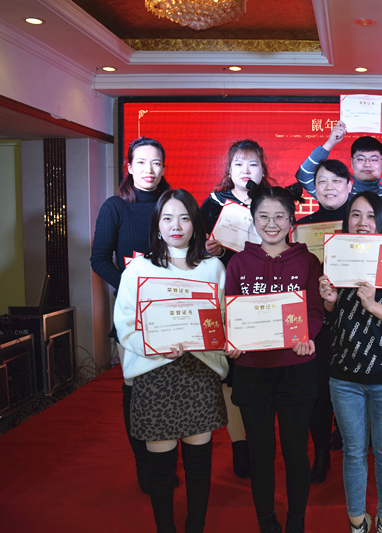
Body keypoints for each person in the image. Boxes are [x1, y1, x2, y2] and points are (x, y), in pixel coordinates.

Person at [115, 189, 228, 533]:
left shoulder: (212, 267)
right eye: (167, 218)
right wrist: (155, 346)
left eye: (184, 218)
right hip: (154, 376)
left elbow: (224, 320)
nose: (175, 226)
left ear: (196, 224)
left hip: (199, 372)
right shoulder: (139, 269)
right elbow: (125, 323)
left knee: (198, 463)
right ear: (157, 225)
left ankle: (196, 525)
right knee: (161, 467)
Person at [225, 184, 324, 533]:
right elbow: (231, 314)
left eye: (279, 216)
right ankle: (266, 521)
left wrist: (307, 336)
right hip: (252, 372)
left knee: (296, 452)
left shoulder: (308, 262)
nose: (271, 224)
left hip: (296, 370)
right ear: (253, 220)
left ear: (292, 220)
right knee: (261, 454)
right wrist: (232, 341)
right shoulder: (238, 263)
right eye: (263, 216)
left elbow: (315, 311)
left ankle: (296, 520)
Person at [318, 191, 382, 533]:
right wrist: (329, 303)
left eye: (371, 216)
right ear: (346, 221)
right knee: (353, 452)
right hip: (345, 375)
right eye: (356, 215)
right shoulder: (336, 261)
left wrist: (373, 306)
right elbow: (331, 323)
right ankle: (357, 521)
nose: (363, 222)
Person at [90, 136, 171, 494]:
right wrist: (133, 287)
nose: (149, 169)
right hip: (132, 313)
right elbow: (99, 259)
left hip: (173, 312)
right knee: (136, 387)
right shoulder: (116, 207)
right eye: (141, 162)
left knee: (168, 388)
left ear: (163, 168)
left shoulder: (173, 203)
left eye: (156, 162)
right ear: (129, 167)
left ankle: (165, 461)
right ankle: (144, 462)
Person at [199, 139, 272, 480]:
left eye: (253, 164)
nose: (246, 170)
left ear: (263, 169)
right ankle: (239, 444)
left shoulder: (271, 202)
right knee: (231, 375)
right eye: (239, 164)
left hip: (265, 298)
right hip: (226, 298)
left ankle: (260, 441)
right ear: (229, 170)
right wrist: (208, 249)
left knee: (262, 371)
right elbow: (193, 250)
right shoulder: (214, 203)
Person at [294, 159, 352, 484]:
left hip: (354, 318)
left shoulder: (359, 223)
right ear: (313, 188)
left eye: (336, 181)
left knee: (351, 387)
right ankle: (320, 453)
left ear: (349, 186)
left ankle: (348, 440)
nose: (329, 187)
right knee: (318, 391)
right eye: (322, 182)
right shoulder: (303, 228)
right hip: (317, 320)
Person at [295, 119, 382, 213]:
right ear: (352, 163)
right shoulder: (338, 192)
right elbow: (303, 175)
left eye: (374, 159)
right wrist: (330, 143)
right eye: (361, 159)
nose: (367, 164)